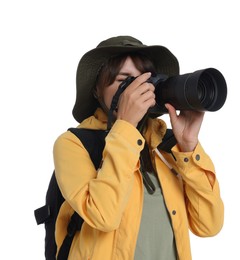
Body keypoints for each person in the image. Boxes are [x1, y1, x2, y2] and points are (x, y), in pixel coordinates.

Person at [53, 35, 224, 260]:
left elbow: (209, 225)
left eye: (145, 80)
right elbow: (104, 216)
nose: (138, 90)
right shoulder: (73, 144)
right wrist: (125, 127)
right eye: (124, 80)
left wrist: (189, 148)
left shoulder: (165, 145)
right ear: (97, 90)